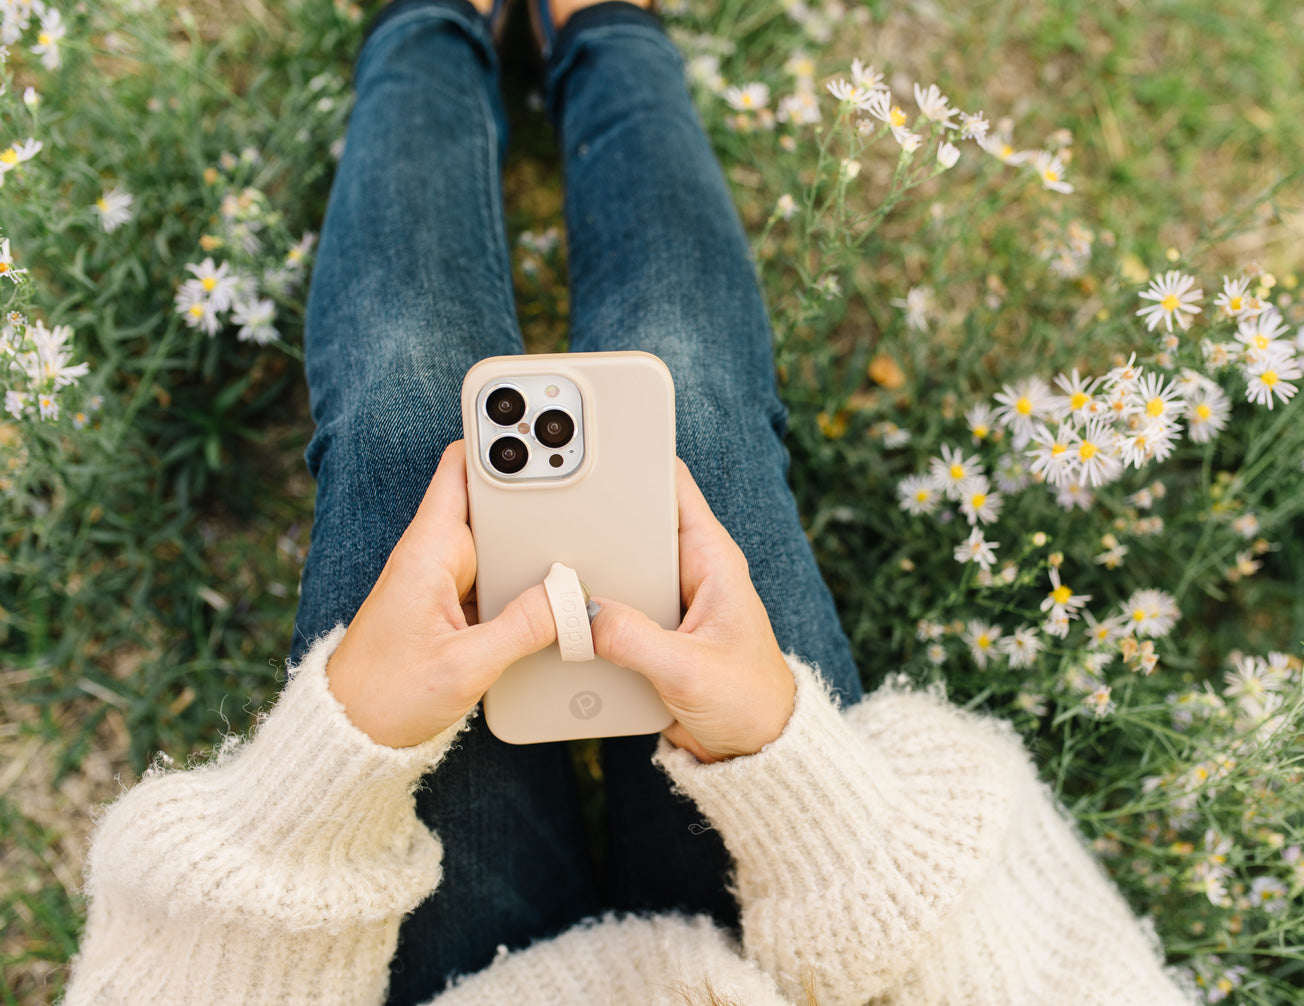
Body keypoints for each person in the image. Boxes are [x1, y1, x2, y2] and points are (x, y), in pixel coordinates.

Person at [60, 0, 1196, 1003]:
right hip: (798, 956)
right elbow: (1049, 968)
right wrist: (783, 764)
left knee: (413, 424)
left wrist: (333, 762)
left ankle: (425, 27)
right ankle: (607, 30)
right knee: (685, 397)